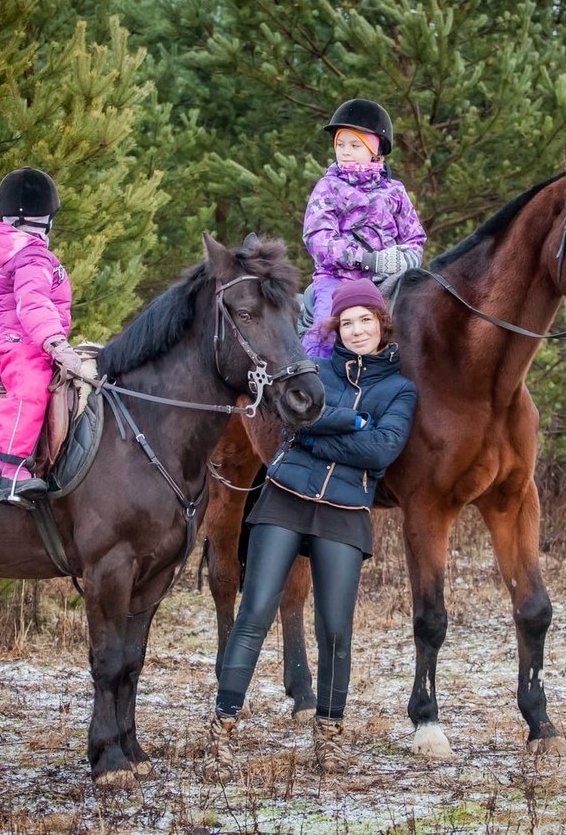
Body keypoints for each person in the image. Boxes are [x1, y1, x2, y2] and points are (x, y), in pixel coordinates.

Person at [203, 278, 418, 780]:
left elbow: (382, 452)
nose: (358, 329)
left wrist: (324, 427)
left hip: (344, 513)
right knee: (254, 613)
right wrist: (356, 423)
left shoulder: (401, 388)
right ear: (335, 328)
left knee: (336, 631)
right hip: (285, 501)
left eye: (366, 320)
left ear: (382, 325)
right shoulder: (315, 370)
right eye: (348, 322)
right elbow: (293, 420)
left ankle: (329, 738)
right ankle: (223, 729)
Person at [0, 167, 83, 508]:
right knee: (32, 389)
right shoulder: (32, 255)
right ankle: (10, 470)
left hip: (30, 340)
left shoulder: (24, 253)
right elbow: (31, 303)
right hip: (22, 346)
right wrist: (55, 343)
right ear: (44, 219)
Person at [301, 99, 427, 358]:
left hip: (387, 281)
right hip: (337, 280)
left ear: (375, 149)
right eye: (340, 144)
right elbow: (318, 238)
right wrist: (369, 259)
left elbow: (415, 238)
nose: (345, 151)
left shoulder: (395, 191)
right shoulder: (328, 187)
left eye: (354, 145)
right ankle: (312, 381)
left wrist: (404, 261)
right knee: (325, 329)